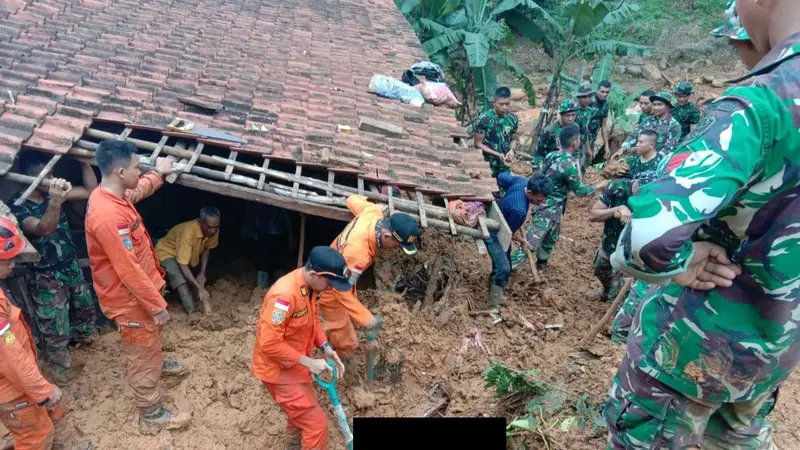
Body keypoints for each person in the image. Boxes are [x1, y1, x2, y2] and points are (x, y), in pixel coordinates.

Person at [602, 0, 800, 446]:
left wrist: (682, 261)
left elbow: (647, 239)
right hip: (771, 358)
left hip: (687, 357)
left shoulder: (762, 105)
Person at [85, 140, 190, 431]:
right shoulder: (106, 216)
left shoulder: (114, 197)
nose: (139, 170)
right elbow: (127, 268)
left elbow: (137, 190)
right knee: (141, 350)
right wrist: (156, 305)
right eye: (135, 167)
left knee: (149, 340)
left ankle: (156, 364)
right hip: (129, 299)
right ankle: (151, 413)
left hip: (139, 293)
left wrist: (159, 174)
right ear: (120, 172)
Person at [9, 152, 98, 383]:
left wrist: (84, 162)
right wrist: (57, 202)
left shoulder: (52, 194)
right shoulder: (18, 206)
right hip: (46, 275)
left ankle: (86, 344)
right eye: (46, 175)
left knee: (85, 307)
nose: (51, 179)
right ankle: (62, 372)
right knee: (54, 326)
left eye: (51, 173)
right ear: (28, 178)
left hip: (70, 265)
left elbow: (91, 191)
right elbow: (42, 229)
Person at [252, 246, 348, 450]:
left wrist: (325, 346)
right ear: (314, 274)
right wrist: (309, 362)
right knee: (317, 425)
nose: (331, 288)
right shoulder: (285, 296)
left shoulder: (312, 288)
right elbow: (268, 343)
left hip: (295, 365)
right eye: (329, 283)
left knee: (300, 415)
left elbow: (312, 319)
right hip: (277, 370)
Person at [319, 195, 420, 379]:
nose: (396, 248)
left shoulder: (373, 213)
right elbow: (342, 291)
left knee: (352, 318)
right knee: (346, 337)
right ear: (387, 235)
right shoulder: (359, 253)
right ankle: (350, 377)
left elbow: (351, 199)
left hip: (343, 276)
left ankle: (330, 338)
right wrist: (367, 319)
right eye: (397, 245)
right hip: (330, 288)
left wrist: (361, 198)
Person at [0, 217, 63, 450]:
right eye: (7, 260)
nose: (14, 264)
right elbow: (10, 356)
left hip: (15, 382)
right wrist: (42, 391)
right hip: (11, 391)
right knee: (37, 438)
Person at [511, 125, 608, 273]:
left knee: (550, 238)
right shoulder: (568, 165)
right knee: (531, 241)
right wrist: (600, 186)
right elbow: (580, 191)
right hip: (548, 207)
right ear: (574, 143)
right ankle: (507, 269)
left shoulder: (553, 155)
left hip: (554, 206)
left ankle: (541, 265)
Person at [486, 173, 552, 324]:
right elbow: (506, 233)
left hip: (502, 223)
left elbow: (501, 176)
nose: (541, 202)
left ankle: (493, 285)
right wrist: (522, 239)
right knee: (504, 268)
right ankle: (493, 307)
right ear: (529, 192)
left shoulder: (522, 181)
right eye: (539, 199)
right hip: (495, 232)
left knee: (506, 265)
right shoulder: (519, 211)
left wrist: (501, 197)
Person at [589, 172, 658, 302]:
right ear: (636, 185)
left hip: (629, 253)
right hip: (609, 243)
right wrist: (618, 209)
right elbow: (593, 215)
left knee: (619, 291)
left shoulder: (653, 200)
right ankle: (607, 292)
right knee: (600, 272)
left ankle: (617, 308)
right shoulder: (617, 187)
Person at [155, 207, 220, 314]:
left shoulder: (213, 230)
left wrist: (203, 272)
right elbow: (182, 264)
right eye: (209, 227)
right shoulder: (188, 233)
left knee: (194, 278)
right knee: (181, 281)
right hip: (166, 252)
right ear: (200, 223)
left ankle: (197, 299)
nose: (213, 231)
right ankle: (192, 312)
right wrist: (199, 287)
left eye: (216, 227)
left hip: (184, 254)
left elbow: (207, 249)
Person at [240, 203, 297, 288]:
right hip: (265, 234)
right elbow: (251, 216)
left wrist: (290, 235)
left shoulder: (280, 207)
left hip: (277, 234)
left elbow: (286, 218)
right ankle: (262, 287)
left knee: (276, 260)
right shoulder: (259, 205)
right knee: (265, 261)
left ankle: (278, 286)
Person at [617, 91, 681, 157]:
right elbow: (634, 135)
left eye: (659, 105)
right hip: (641, 158)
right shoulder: (647, 120)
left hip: (659, 163)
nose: (656, 107)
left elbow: (668, 149)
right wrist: (623, 148)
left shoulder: (674, 125)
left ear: (668, 106)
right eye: (654, 104)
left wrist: (651, 160)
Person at [473, 87, 519, 178]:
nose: (504, 107)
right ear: (494, 103)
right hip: (487, 163)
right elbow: (478, 143)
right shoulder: (484, 119)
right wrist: (496, 154)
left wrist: (512, 150)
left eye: (507, 104)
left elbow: (513, 139)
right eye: (501, 104)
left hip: (505, 164)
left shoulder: (513, 118)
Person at [534, 100, 577, 170]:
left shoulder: (575, 127)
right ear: (561, 115)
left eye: (573, 115)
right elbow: (538, 154)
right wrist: (538, 173)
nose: (570, 119)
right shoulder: (549, 131)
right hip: (551, 168)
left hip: (568, 167)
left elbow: (576, 150)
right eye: (567, 115)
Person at [589, 80, 612, 163]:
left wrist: (606, 145)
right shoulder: (589, 101)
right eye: (602, 91)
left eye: (607, 92)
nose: (604, 94)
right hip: (580, 139)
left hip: (591, 140)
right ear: (597, 90)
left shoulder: (605, 106)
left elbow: (604, 126)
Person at [573, 81, 595, 167]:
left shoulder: (588, 111)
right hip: (571, 146)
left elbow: (585, 130)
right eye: (584, 97)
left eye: (589, 96)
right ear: (578, 97)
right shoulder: (572, 111)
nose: (587, 99)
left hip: (581, 147)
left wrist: (588, 148)